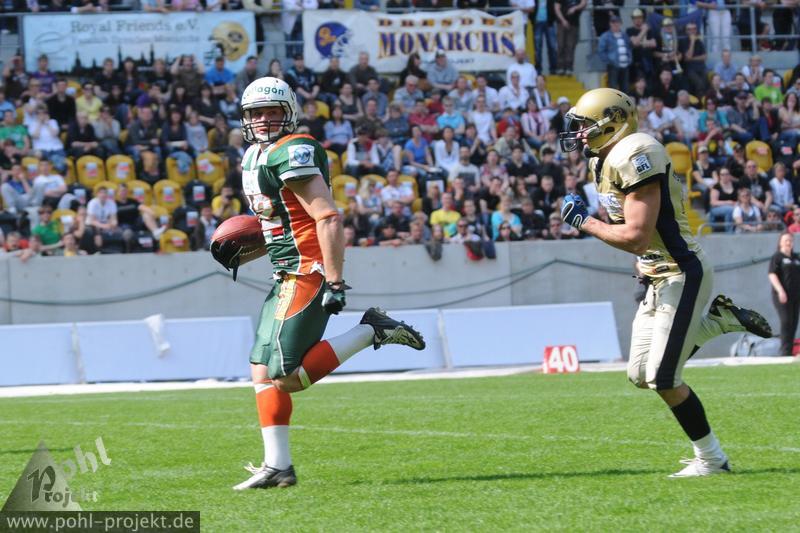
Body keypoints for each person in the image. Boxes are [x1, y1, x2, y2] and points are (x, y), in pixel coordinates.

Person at [222, 77, 425, 490]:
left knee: (286, 376)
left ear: (289, 113)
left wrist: (334, 280)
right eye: (256, 113)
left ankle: (371, 330)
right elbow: (281, 224)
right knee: (260, 369)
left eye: (273, 111)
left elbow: (327, 216)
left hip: (307, 269)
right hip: (284, 270)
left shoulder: (292, 150)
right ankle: (278, 466)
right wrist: (247, 249)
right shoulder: (252, 157)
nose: (264, 120)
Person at [558, 87, 772, 477]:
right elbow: (637, 234)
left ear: (613, 123)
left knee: (664, 377)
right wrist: (642, 262)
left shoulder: (636, 153)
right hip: (656, 273)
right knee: (640, 374)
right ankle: (718, 321)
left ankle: (712, 459)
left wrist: (583, 222)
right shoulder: (603, 161)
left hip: (681, 271)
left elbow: (636, 235)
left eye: (586, 125)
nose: (580, 134)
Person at [768, 233, 800, 356]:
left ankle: (789, 351)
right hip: (782, 296)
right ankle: (784, 352)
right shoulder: (777, 257)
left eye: (790, 240)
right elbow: (772, 274)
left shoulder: (796, 258)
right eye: (786, 240)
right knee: (786, 321)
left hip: (795, 296)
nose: (788, 242)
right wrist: (780, 290)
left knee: (794, 322)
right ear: (780, 242)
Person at [598, 16, 633, 92]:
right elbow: (601, 51)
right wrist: (609, 61)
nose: (615, 24)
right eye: (613, 22)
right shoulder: (605, 36)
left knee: (625, 88)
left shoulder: (624, 35)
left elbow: (629, 47)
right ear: (610, 24)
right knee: (613, 87)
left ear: (620, 23)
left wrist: (629, 59)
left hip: (625, 65)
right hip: (613, 66)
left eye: (617, 22)